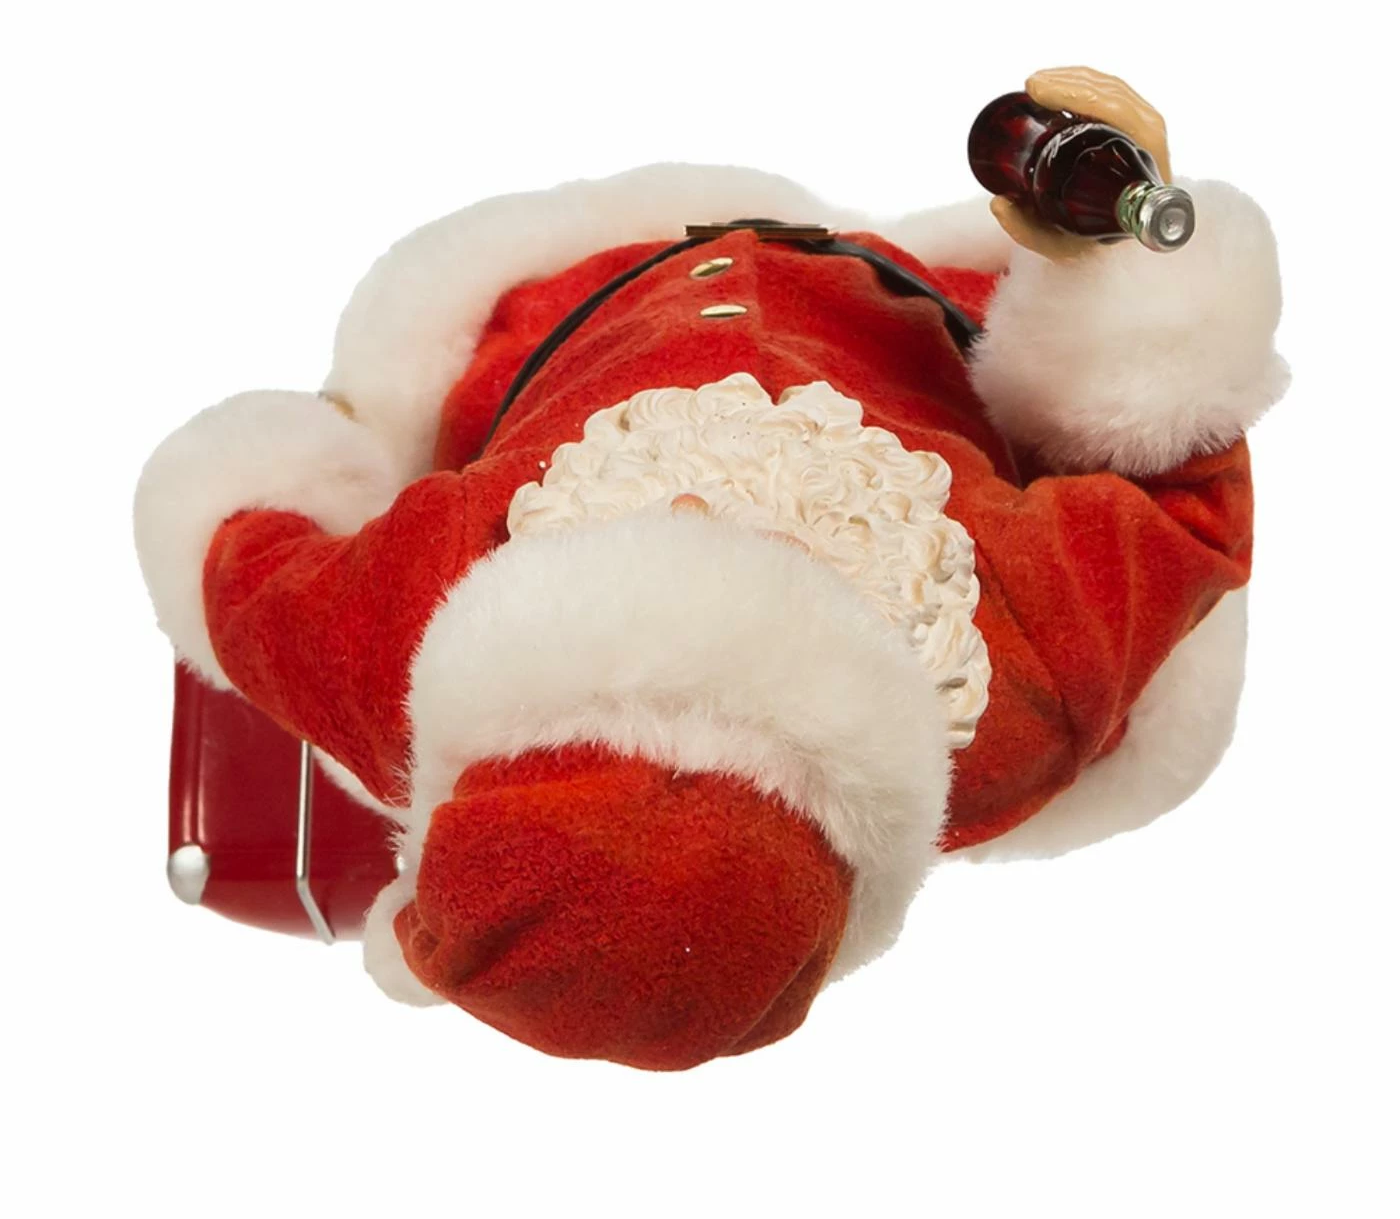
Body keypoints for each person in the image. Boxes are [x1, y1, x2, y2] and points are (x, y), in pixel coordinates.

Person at [134, 68, 1288, 1070]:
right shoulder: (1014, 682)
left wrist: (1142, 283)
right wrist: (1129, 253)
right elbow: (1180, 489)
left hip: (577, 283)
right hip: (903, 293)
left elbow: (234, 543)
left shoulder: (400, 630)